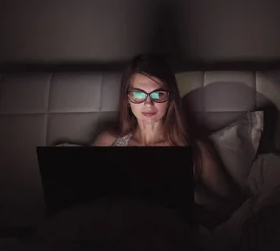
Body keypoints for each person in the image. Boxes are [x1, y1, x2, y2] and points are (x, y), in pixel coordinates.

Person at [93, 54, 242, 228]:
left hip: (170, 238)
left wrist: (194, 196)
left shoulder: (196, 150)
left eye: (158, 94)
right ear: (127, 99)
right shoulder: (108, 141)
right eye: (138, 94)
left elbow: (234, 207)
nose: (148, 104)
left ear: (170, 98)